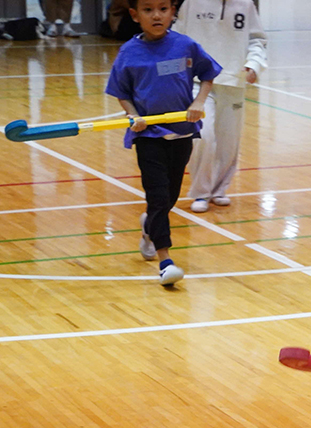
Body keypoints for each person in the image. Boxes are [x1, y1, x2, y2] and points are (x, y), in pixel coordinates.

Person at [105, 0, 221, 286]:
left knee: (168, 198)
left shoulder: (186, 46)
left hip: (182, 132)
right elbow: (121, 92)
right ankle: (165, 261)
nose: (156, 15)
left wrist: (198, 102)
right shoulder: (129, 52)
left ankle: (149, 229)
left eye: (163, 9)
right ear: (135, 15)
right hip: (149, 136)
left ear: (172, 13)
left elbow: (208, 74)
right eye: (147, 10)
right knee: (157, 197)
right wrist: (133, 116)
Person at [175, 0, 267, 213]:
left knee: (228, 140)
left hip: (233, 80)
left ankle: (219, 189)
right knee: (203, 135)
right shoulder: (192, 3)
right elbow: (178, 37)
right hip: (198, 81)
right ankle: (200, 192)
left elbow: (257, 40)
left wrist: (254, 65)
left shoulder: (246, 5)